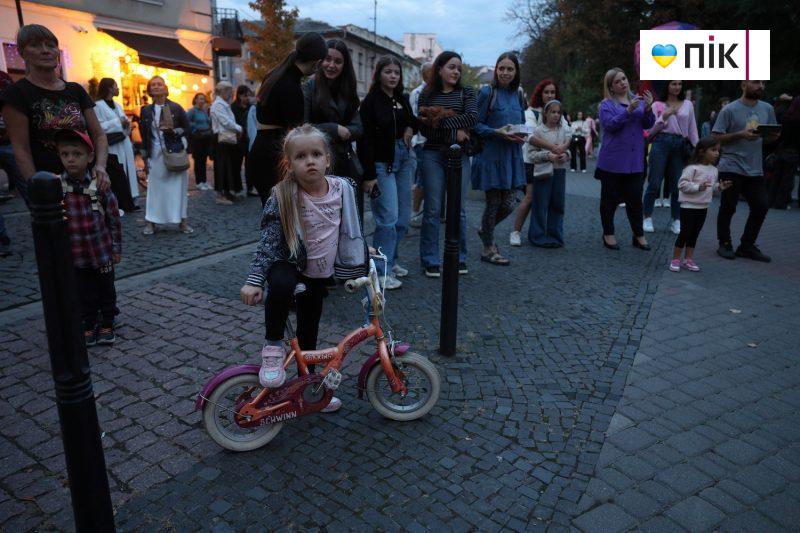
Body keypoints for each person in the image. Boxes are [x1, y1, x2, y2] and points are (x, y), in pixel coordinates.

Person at [239, 125, 367, 412]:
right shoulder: (284, 195)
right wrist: (255, 280)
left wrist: (361, 252)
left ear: (327, 160)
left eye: (316, 154)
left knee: (309, 332)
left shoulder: (342, 189)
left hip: (318, 274)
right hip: (289, 261)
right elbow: (269, 242)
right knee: (282, 283)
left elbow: (349, 229)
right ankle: (273, 348)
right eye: (300, 156)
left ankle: (307, 391)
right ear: (290, 163)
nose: (309, 161)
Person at [0, 24, 109, 188]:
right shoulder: (16, 94)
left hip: (88, 179)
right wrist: (36, 184)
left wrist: (100, 166)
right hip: (49, 182)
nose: (45, 50)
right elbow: (21, 148)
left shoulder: (75, 90)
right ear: (22, 52)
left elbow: (98, 134)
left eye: (51, 45)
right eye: (35, 45)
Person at [55, 129, 121, 345]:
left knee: (106, 290)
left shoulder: (99, 186)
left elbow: (113, 219)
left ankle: (108, 322)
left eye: (77, 154)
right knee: (84, 291)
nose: (71, 159)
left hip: (102, 252)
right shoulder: (58, 187)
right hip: (77, 254)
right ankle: (89, 322)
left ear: (90, 156)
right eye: (65, 154)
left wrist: (116, 248)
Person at [248, 32, 328, 205]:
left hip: (260, 152)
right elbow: (295, 135)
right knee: (282, 222)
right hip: (273, 159)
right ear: (317, 63)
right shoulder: (291, 87)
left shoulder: (275, 74)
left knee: (272, 219)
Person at [416, 51, 478, 278]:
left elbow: (472, 118)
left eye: (459, 68)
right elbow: (423, 127)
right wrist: (453, 127)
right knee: (432, 209)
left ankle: (458, 257)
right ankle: (430, 259)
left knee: (458, 209)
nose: (456, 72)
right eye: (452, 67)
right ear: (439, 69)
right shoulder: (426, 94)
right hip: (432, 155)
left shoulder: (466, 92)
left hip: (459, 156)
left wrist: (438, 118)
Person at [358, 56, 416, 288]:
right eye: (388, 72)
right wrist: (369, 174)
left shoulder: (402, 98)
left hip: (404, 159)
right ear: (378, 74)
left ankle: (391, 262)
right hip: (382, 164)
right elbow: (365, 140)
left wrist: (411, 127)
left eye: (396, 72)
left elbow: (413, 120)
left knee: (403, 219)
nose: (393, 76)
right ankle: (380, 271)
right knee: (387, 220)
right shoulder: (371, 102)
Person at [713, 80, 780, 262]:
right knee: (729, 206)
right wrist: (740, 134)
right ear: (744, 85)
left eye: (763, 83)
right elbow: (716, 138)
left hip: (754, 167)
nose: (761, 86)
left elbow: (767, 139)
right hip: (731, 164)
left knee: (761, 206)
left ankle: (747, 246)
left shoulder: (767, 109)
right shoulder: (729, 109)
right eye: (756, 82)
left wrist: (772, 137)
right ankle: (724, 243)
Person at [470, 52, 526, 265]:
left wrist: (522, 135)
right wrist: (497, 132)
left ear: (515, 72)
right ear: (496, 70)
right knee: (493, 203)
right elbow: (475, 124)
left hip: (512, 156)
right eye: (501, 68)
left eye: (509, 69)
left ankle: (486, 229)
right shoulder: (487, 92)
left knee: (512, 201)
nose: (505, 72)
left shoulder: (518, 94)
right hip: (491, 156)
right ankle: (488, 248)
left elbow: (519, 122)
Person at [596, 67, 655, 251]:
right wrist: (628, 111)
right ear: (611, 87)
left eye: (624, 78)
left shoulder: (637, 100)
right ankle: (608, 233)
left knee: (635, 198)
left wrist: (648, 109)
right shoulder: (606, 105)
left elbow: (649, 124)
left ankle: (638, 235)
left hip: (635, 160)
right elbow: (610, 125)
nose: (623, 82)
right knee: (609, 199)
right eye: (617, 81)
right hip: (613, 160)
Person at [303, 40, 364, 215]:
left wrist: (347, 131)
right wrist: (334, 128)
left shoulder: (348, 89)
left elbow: (358, 128)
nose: (332, 65)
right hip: (319, 164)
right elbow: (303, 127)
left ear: (345, 65)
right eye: (328, 59)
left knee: (350, 218)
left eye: (338, 61)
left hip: (345, 163)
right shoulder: (309, 87)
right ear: (320, 60)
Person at [511, 79, 568, 246]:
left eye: (552, 92)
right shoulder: (531, 113)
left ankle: (545, 233)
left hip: (552, 162)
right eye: (546, 92)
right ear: (540, 94)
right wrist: (553, 148)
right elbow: (530, 136)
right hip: (532, 160)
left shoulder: (557, 110)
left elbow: (566, 132)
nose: (550, 95)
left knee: (548, 200)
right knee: (530, 197)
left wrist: (564, 149)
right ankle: (516, 231)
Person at [642, 80, 699, 235]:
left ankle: (676, 219)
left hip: (680, 144)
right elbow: (650, 131)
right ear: (667, 86)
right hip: (661, 142)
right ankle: (647, 217)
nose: (677, 87)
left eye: (679, 84)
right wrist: (664, 117)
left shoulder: (688, 104)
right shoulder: (657, 105)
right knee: (654, 182)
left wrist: (698, 149)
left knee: (677, 185)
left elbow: (692, 129)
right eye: (673, 84)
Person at [139, 76, 193, 235]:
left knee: (179, 189)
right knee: (154, 189)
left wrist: (176, 132)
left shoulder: (176, 107)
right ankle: (151, 222)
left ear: (165, 88)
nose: (156, 87)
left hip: (174, 152)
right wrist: (144, 156)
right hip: (155, 154)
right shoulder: (146, 110)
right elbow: (144, 134)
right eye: (153, 85)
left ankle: (182, 222)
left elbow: (187, 128)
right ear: (150, 90)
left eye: (159, 84)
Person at [670, 137, 731, 272]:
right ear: (702, 151)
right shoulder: (692, 168)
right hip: (688, 206)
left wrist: (719, 187)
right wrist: (698, 187)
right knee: (684, 234)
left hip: (703, 207)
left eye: (718, 150)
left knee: (694, 234)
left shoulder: (714, 170)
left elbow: (710, 186)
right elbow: (682, 184)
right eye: (713, 150)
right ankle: (675, 259)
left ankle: (688, 259)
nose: (717, 153)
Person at [530, 99, 571, 247]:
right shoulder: (538, 131)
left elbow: (567, 150)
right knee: (540, 205)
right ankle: (537, 236)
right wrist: (547, 156)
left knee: (558, 205)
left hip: (559, 171)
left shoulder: (563, 130)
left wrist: (566, 155)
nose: (556, 115)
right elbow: (531, 155)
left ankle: (555, 236)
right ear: (545, 113)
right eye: (552, 112)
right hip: (543, 173)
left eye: (558, 112)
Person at [94, 77, 138, 212]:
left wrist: (126, 124)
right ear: (109, 88)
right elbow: (99, 126)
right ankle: (117, 202)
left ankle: (129, 200)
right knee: (116, 173)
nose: (118, 88)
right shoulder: (98, 105)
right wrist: (118, 122)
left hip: (123, 142)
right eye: (116, 86)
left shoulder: (118, 105)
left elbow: (123, 121)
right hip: (111, 144)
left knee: (127, 171)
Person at [0, 69, 26, 257]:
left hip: (8, 142)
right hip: (8, 141)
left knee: (26, 183)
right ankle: (2, 236)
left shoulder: (3, 79)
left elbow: (15, 103)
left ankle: (45, 222)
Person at [210, 81, 242, 205]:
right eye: (228, 91)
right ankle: (220, 194)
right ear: (222, 91)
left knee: (227, 166)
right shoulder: (218, 105)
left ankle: (227, 192)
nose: (230, 94)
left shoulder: (221, 104)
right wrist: (239, 128)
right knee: (221, 167)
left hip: (224, 139)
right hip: (221, 139)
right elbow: (225, 121)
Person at [408, 62, 433, 227]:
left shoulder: (434, 91)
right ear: (425, 74)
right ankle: (415, 212)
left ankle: (424, 211)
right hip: (422, 141)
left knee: (428, 179)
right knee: (422, 179)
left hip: (430, 142)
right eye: (432, 72)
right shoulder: (418, 93)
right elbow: (417, 117)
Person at [768, 90, 799, 209]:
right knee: (787, 179)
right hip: (793, 151)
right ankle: (781, 202)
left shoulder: (784, 117)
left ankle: (771, 199)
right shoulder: (797, 121)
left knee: (777, 176)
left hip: (781, 149)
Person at [186, 93, 213, 191]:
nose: (202, 101)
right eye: (200, 99)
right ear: (196, 100)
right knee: (198, 160)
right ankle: (199, 182)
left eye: (203, 99)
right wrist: (195, 128)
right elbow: (186, 122)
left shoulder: (204, 111)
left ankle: (204, 181)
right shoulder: (192, 111)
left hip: (206, 138)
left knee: (204, 160)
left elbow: (208, 122)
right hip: (197, 139)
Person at [230, 85, 252, 196]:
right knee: (236, 165)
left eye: (249, 95)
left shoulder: (251, 107)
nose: (247, 98)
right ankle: (237, 188)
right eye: (245, 95)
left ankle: (250, 188)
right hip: (238, 139)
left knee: (250, 165)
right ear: (239, 95)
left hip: (249, 139)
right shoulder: (233, 107)